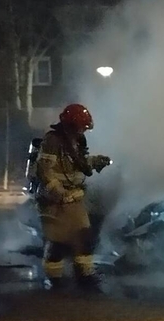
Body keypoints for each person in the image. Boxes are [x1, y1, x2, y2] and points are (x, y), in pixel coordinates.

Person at [35, 103, 112, 288]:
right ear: (70, 125)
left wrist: (94, 161)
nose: (83, 131)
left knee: (83, 235)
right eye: (81, 127)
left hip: (73, 198)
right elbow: (44, 171)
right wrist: (59, 193)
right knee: (59, 241)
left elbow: (77, 164)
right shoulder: (52, 141)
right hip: (54, 200)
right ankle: (54, 279)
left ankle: (84, 275)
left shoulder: (77, 140)